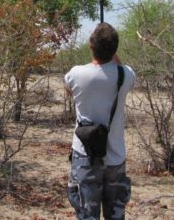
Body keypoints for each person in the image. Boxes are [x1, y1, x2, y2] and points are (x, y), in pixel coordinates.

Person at [64, 23, 135, 220]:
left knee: (87, 214)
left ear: (91, 46)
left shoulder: (77, 73)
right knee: (115, 214)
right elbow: (119, 67)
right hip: (115, 157)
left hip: (85, 155)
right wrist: (112, 54)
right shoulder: (125, 75)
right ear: (115, 49)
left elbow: (68, 90)